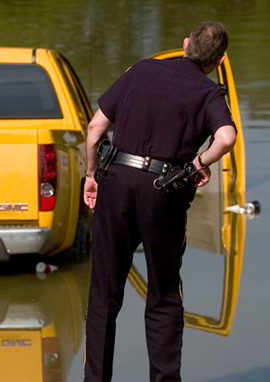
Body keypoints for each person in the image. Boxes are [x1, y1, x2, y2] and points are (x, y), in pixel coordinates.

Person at [83, 22, 237, 382]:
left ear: (185, 45)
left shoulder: (141, 69)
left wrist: (91, 176)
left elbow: (94, 130)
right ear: (219, 60)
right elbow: (227, 138)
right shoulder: (210, 91)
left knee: (104, 294)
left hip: (115, 181)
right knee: (164, 294)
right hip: (163, 191)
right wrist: (198, 164)